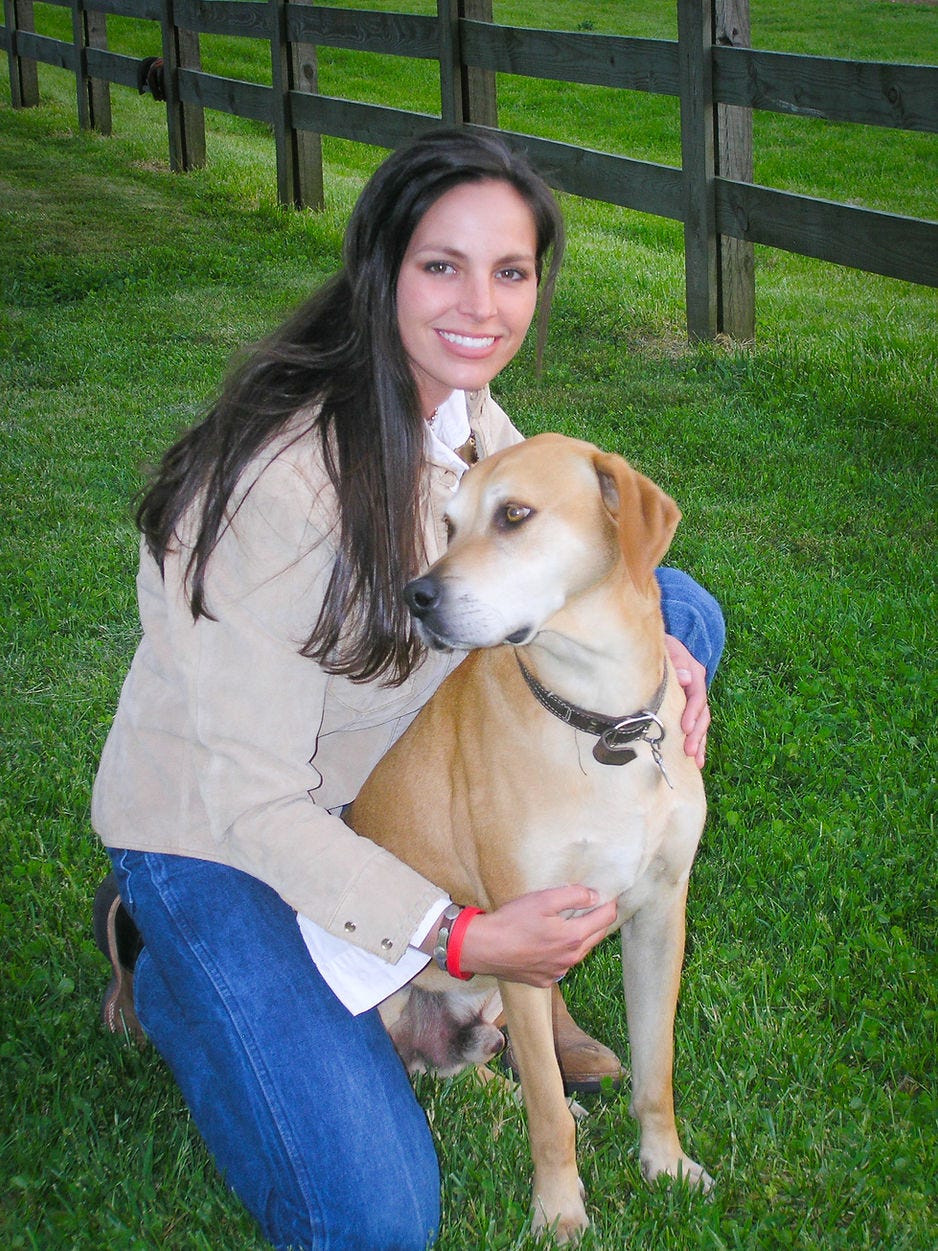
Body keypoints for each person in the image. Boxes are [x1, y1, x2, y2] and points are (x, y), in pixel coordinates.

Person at [91, 128, 725, 1251]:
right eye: (442, 265)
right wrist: (463, 937)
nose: (480, 303)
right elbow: (251, 802)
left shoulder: (471, 419)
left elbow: (577, 553)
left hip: (388, 779)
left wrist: (664, 669)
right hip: (224, 832)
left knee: (678, 610)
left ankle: (531, 943)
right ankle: (163, 964)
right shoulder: (279, 485)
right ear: (380, 268)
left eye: (510, 270)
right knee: (373, 1216)